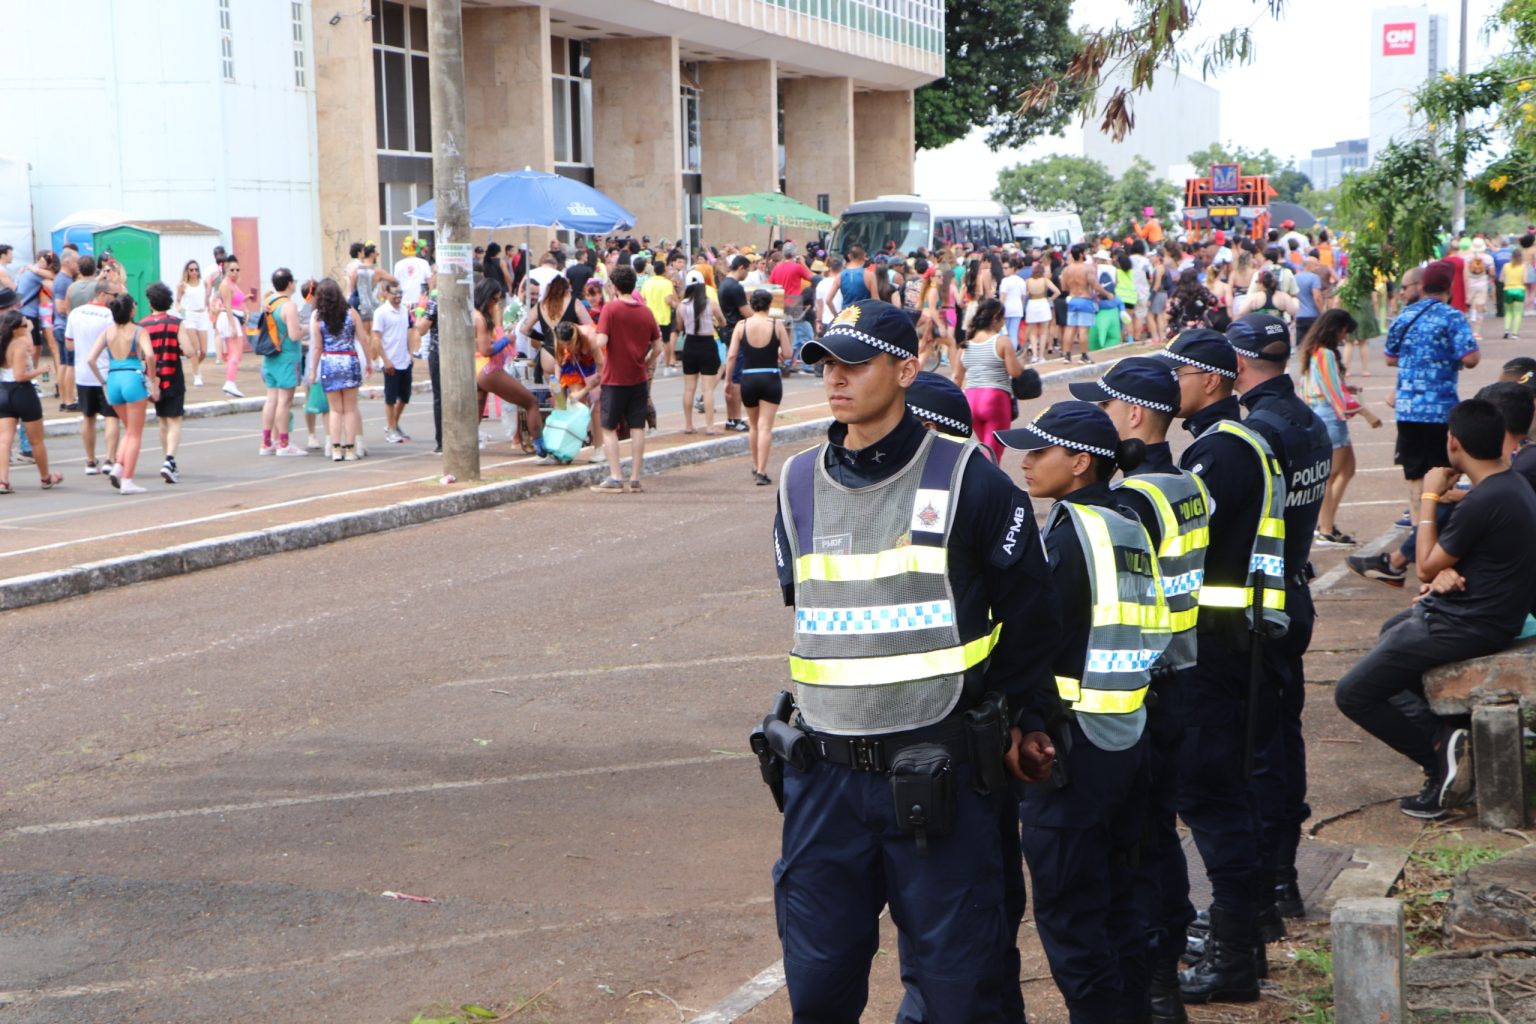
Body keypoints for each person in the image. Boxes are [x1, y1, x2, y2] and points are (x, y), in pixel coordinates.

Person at [764, 299, 1059, 1024]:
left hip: (940, 776)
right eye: (826, 363)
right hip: (823, 781)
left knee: (957, 989)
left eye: (854, 363)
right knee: (819, 982)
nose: (836, 378)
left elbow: (1032, 616)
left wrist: (1027, 721)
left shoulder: (972, 478)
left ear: (906, 369)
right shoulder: (797, 483)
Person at [995, 400, 1168, 1024]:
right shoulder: (1127, 521)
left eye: (1039, 451)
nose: (1026, 461)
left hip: (1070, 751)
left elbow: (1038, 641)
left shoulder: (1071, 535)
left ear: (1080, 462)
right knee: (1119, 905)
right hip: (1129, 737)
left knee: (1071, 918)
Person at [1150, 329, 1289, 1005]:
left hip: (1214, 644)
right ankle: (1245, 932)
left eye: (1176, 374)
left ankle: (1235, 952)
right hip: (1241, 640)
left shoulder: (1217, 453)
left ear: (1209, 379)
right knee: (1226, 794)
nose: (1168, 388)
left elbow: (1178, 541)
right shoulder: (1247, 440)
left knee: (1212, 798)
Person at [1071, 356, 1208, 1024]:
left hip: (1145, 688)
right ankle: (1164, 974)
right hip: (1182, 672)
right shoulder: (1183, 486)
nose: (1098, 418)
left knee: (1140, 843)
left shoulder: (1135, 501)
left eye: (1102, 408)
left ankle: (1155, 983)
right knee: (1155, 832)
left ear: (1131, 414)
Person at [1335, 398, 1536, 817]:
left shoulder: (1485, 501)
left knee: (1353, 693)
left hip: (1468, 624)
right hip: (1486, 615)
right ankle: (1452, 738)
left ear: (1454, 443)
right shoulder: (1509, 485)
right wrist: (1444, 573)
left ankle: (1438, 755)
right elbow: (1448, 566)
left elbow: (1425, 567)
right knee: (1393, 631)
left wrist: (1428, 497)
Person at [1226, 314, 1333, 943]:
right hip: (1295, 592)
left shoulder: (1257, 432)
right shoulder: (1308, 421)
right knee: (1282, 740)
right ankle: (1282, 873)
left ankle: (1269, 879)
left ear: (1238, 366)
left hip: (1262, 606)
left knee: (1259, 749)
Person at [1300, 311, 1381, 545]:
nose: (1345, 336)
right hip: (1329, 415)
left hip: (1323, 412)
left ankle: (1326, 523)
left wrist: (1348, 389)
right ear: (1336, 329)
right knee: (1332, 474)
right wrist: (1367, 413)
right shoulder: (1324, 354)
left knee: (1345, 470)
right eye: (1344, 330)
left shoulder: (1314, 351)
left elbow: (1330, 386)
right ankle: (1325, 527)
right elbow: (1334, 391)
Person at [589, 263, 660, 494]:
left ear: (615, 286)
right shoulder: (645, 311)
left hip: (614, 377)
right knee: (637, 425)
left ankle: (616, 476)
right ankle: (636, 477)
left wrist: (599, 356)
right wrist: (646, 363)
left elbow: (600, 342)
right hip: (638, 376)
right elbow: (658, 347)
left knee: (609, 427)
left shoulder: (610, 310)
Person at [85, 293, 157, 494]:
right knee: (135, 434)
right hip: (132, 378)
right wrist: (153, 380)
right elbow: (150, 355)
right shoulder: (139, 331)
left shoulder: (107, 332)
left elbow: (91, 359)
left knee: (129, 430)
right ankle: (127, 480)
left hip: (113, 378)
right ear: (131, 311)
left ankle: (119, 466)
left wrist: (102, 383)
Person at [724, 289, 792, 485]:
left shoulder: (742, 325)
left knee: (753, 426)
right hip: (770, 376)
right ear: (769, 305)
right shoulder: (776, 324)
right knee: (765, 427)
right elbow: (787, 353)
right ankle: (762, 470)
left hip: (748, 378)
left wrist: (728, 381)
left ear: (751, 304)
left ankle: (755, 465)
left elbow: (731, 356)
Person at [953, 298, 1025, 460]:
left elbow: (957, 377)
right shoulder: (1001, 341)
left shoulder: (966, 344)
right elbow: (1015, 372)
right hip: (995, 398)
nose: (1003, 322)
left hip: (971, 399)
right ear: (995, 319)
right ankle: (988, 484)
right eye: (1003, 319)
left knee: (985, 448)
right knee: (992, 455)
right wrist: (1022, 365)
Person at [0, 310, 63, 492]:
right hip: (22, 392)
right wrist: (41, 370)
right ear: (16, 329)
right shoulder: (19, 345)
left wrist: (25, 323)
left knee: (4, 441)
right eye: (25, 325)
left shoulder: (3, 343)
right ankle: (45, 477)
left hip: (4, 391)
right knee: (36, 440)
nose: (28, 327)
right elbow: (20, 375)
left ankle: (3, 480)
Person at [308, 278, 369, 461]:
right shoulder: (351, 313)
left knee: (335, 410)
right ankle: (350, 449)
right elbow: (363, 338)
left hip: (330, 362)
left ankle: (336, 448)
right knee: (350, 409)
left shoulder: (318, 317)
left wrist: (313, 370)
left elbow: (317, 347)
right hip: (349, 360)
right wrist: (370, 361)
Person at [66, 278, 121, 476]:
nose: (115, 300)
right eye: (114, 296)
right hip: (106, 373)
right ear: (103, 294)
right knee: (111, 416)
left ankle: (90, 461)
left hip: (83, 374)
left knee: (88, 417)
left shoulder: (75, 313)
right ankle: (109, 458)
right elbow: (116, 343)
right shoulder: (109, 315)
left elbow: (69, 344)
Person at [140, 283, 191, 482]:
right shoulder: (176, 323)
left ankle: (168, 460)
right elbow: (189, 351)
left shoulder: (142, 324)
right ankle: (170, 459)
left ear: (150, 303)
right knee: (175, 419)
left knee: (162, 420)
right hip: (173, 375)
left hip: (154, 378)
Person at [255, 268, 308, 457]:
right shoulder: (289, 305)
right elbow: (294, 334)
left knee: (271, 399)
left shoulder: (268, 301)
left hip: (270, 356)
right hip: (286, 357)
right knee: (284, 402)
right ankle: (283, 443)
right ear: (290, 284)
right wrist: (307, 329)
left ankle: (266, 441)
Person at [678, 270, 724, 435]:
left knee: (689, 388)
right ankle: (710, 426)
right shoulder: (710, 303)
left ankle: (688, 425)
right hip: (707, 344)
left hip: (690, 344)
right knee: (708, 389)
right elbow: (722, 321)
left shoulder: (682, 305)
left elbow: (679, 326)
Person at [371, 281, 414, 443]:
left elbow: (408, 333)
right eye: (394, 293)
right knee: (390, 398)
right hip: (390, 361)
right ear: (386, 294)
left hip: (404, 360)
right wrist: (385, 359)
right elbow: (376, 338)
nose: (398, 296)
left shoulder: (404, 311)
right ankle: (391, 429)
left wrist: (410, 354)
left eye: (400, 293)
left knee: (405, 396)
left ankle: (394, 425)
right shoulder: (381, 313)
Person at [718, 256, 752, 433]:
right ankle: (736, 418)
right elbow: (746, 312)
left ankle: (732, 418)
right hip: (736, 332)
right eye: (747, 270)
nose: (747, 274)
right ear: (741, 268)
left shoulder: (723, 284)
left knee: (731, 374)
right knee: (736, 377)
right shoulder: (736, 287)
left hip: (727, 331)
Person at [1062, 245, 1111, 363]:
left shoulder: (1066, 269)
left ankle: (1067, 356)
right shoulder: (1087, 268)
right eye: (1084, 253)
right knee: (1083, 329)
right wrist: (1107, 294)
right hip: (1085, 299)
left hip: (1072, 299)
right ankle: (1084, 356)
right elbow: (1095, 285)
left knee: (1070, 328)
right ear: (1080, 254)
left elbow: (1064, 287)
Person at [175, 259, 212, 387]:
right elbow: (177, 301)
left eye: (196, 269)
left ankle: (194, 366)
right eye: (191, 269)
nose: (194, 272)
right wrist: (180, 308)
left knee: (204, 351)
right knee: (194, 348)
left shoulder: (203, 283)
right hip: (190, 315)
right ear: (187, 271)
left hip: (202, 315)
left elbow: (206, 298)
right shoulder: (183, 285)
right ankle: (197, 375)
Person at [640, 258, 678, 374]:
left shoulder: (647, 282)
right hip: (663, 318)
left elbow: (643, 298)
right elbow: (667, 300)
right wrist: (674, 304)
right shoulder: (667, 283)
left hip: (649, 317)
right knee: (666, 341)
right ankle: (667, 367)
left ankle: (644, 364)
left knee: (648, 342)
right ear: (664, 270)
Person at [393, 236, 433, 309]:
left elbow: (396, 285)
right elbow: (430, 283)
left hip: (404, 303)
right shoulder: (424, 263)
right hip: (421, 303)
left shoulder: (398, 265)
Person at [1502, 246, 1525, 339]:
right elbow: (1525, 279)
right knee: (1518, 313)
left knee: (1508, 312)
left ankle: (1506, 330)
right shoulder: (1523, 267)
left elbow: (1501, 278)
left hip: (1508, 289)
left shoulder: (1506, 266)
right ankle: (1515, 334)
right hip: (1519, 290)